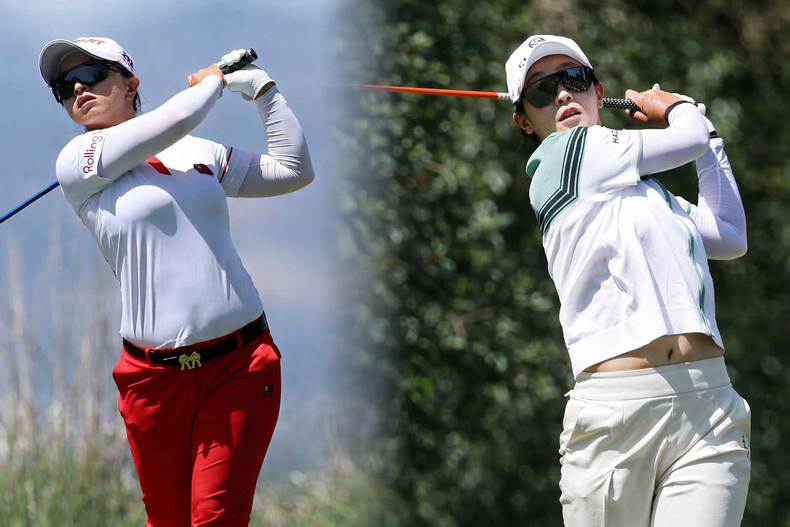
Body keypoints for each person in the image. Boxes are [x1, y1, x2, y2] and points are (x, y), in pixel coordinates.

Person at [38, 37, 314, 526]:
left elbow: (292, 171)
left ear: (130, 84)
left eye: (92, 75)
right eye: (64, 86)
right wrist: (215, 80)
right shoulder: (78, 161)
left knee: (215, 519)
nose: (78, 88)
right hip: (151, 382)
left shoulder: (197, 151)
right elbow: (180, 116)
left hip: (239, 367)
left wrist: (263, 91)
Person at [505, 35, 750, 526]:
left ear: (598, 92)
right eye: (542, 90)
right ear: (524, 121)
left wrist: (710, 139)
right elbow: (686, 137)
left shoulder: (651, 194)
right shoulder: (564, 157)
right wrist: (678, 108)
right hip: (616, 419)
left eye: (574, 79)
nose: (562, 94)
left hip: (707, 408)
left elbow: (728, 235)